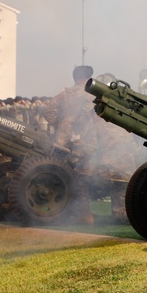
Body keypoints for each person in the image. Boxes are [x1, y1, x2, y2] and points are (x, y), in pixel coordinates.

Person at [41, 64, 98, 224]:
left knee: (65, 175)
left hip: (62, 142)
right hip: (85, 142)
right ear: (88, 78)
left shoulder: (63, 95)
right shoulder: (91, 95)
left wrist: (62, 125)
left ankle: (73, 211)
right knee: (82, 178)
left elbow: (47, 112)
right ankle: (85, 215)